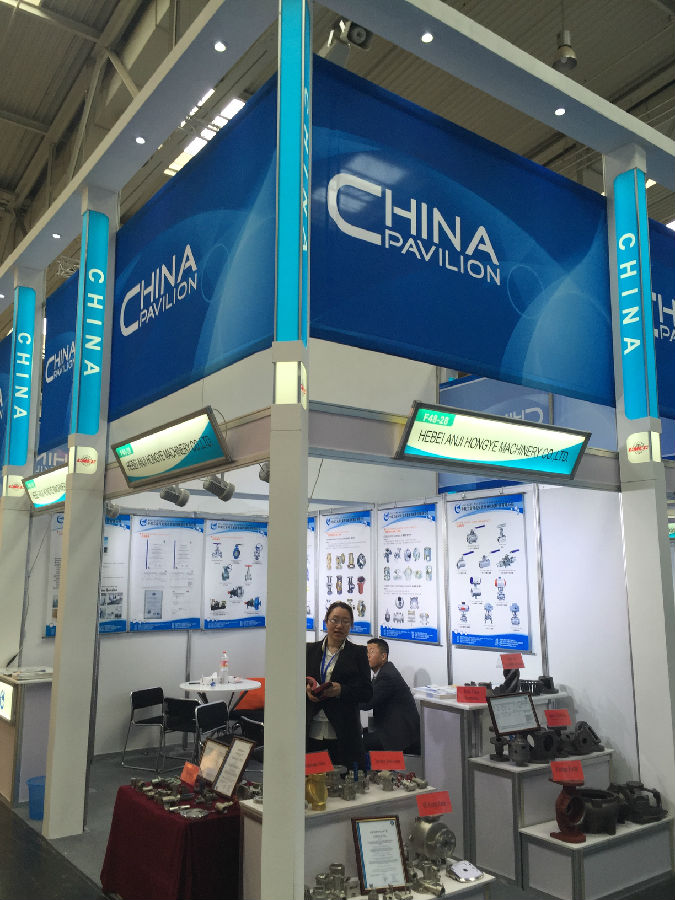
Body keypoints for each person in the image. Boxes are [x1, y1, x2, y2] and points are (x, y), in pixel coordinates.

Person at [306, 601, 372, 768]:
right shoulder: (309, 650)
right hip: (312, 728)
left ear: (351, 625)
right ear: (326, 622)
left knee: (343, 779)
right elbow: (295, 681)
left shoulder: (358, 653)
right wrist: (306, 690)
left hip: (343, 731)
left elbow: (367, 692)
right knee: (312, 780)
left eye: (345, 621)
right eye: (334, 620)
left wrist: (341, 690)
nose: (339, 626)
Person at [360, 638, 421, 754]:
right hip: (391, 728)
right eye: (366, 652)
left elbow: (367, 703)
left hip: (398, 735)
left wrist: (345, 698)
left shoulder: (387, 676)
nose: (367, 656)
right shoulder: (383, 671)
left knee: (357, 744)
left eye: (371, 652)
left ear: (383, 656)